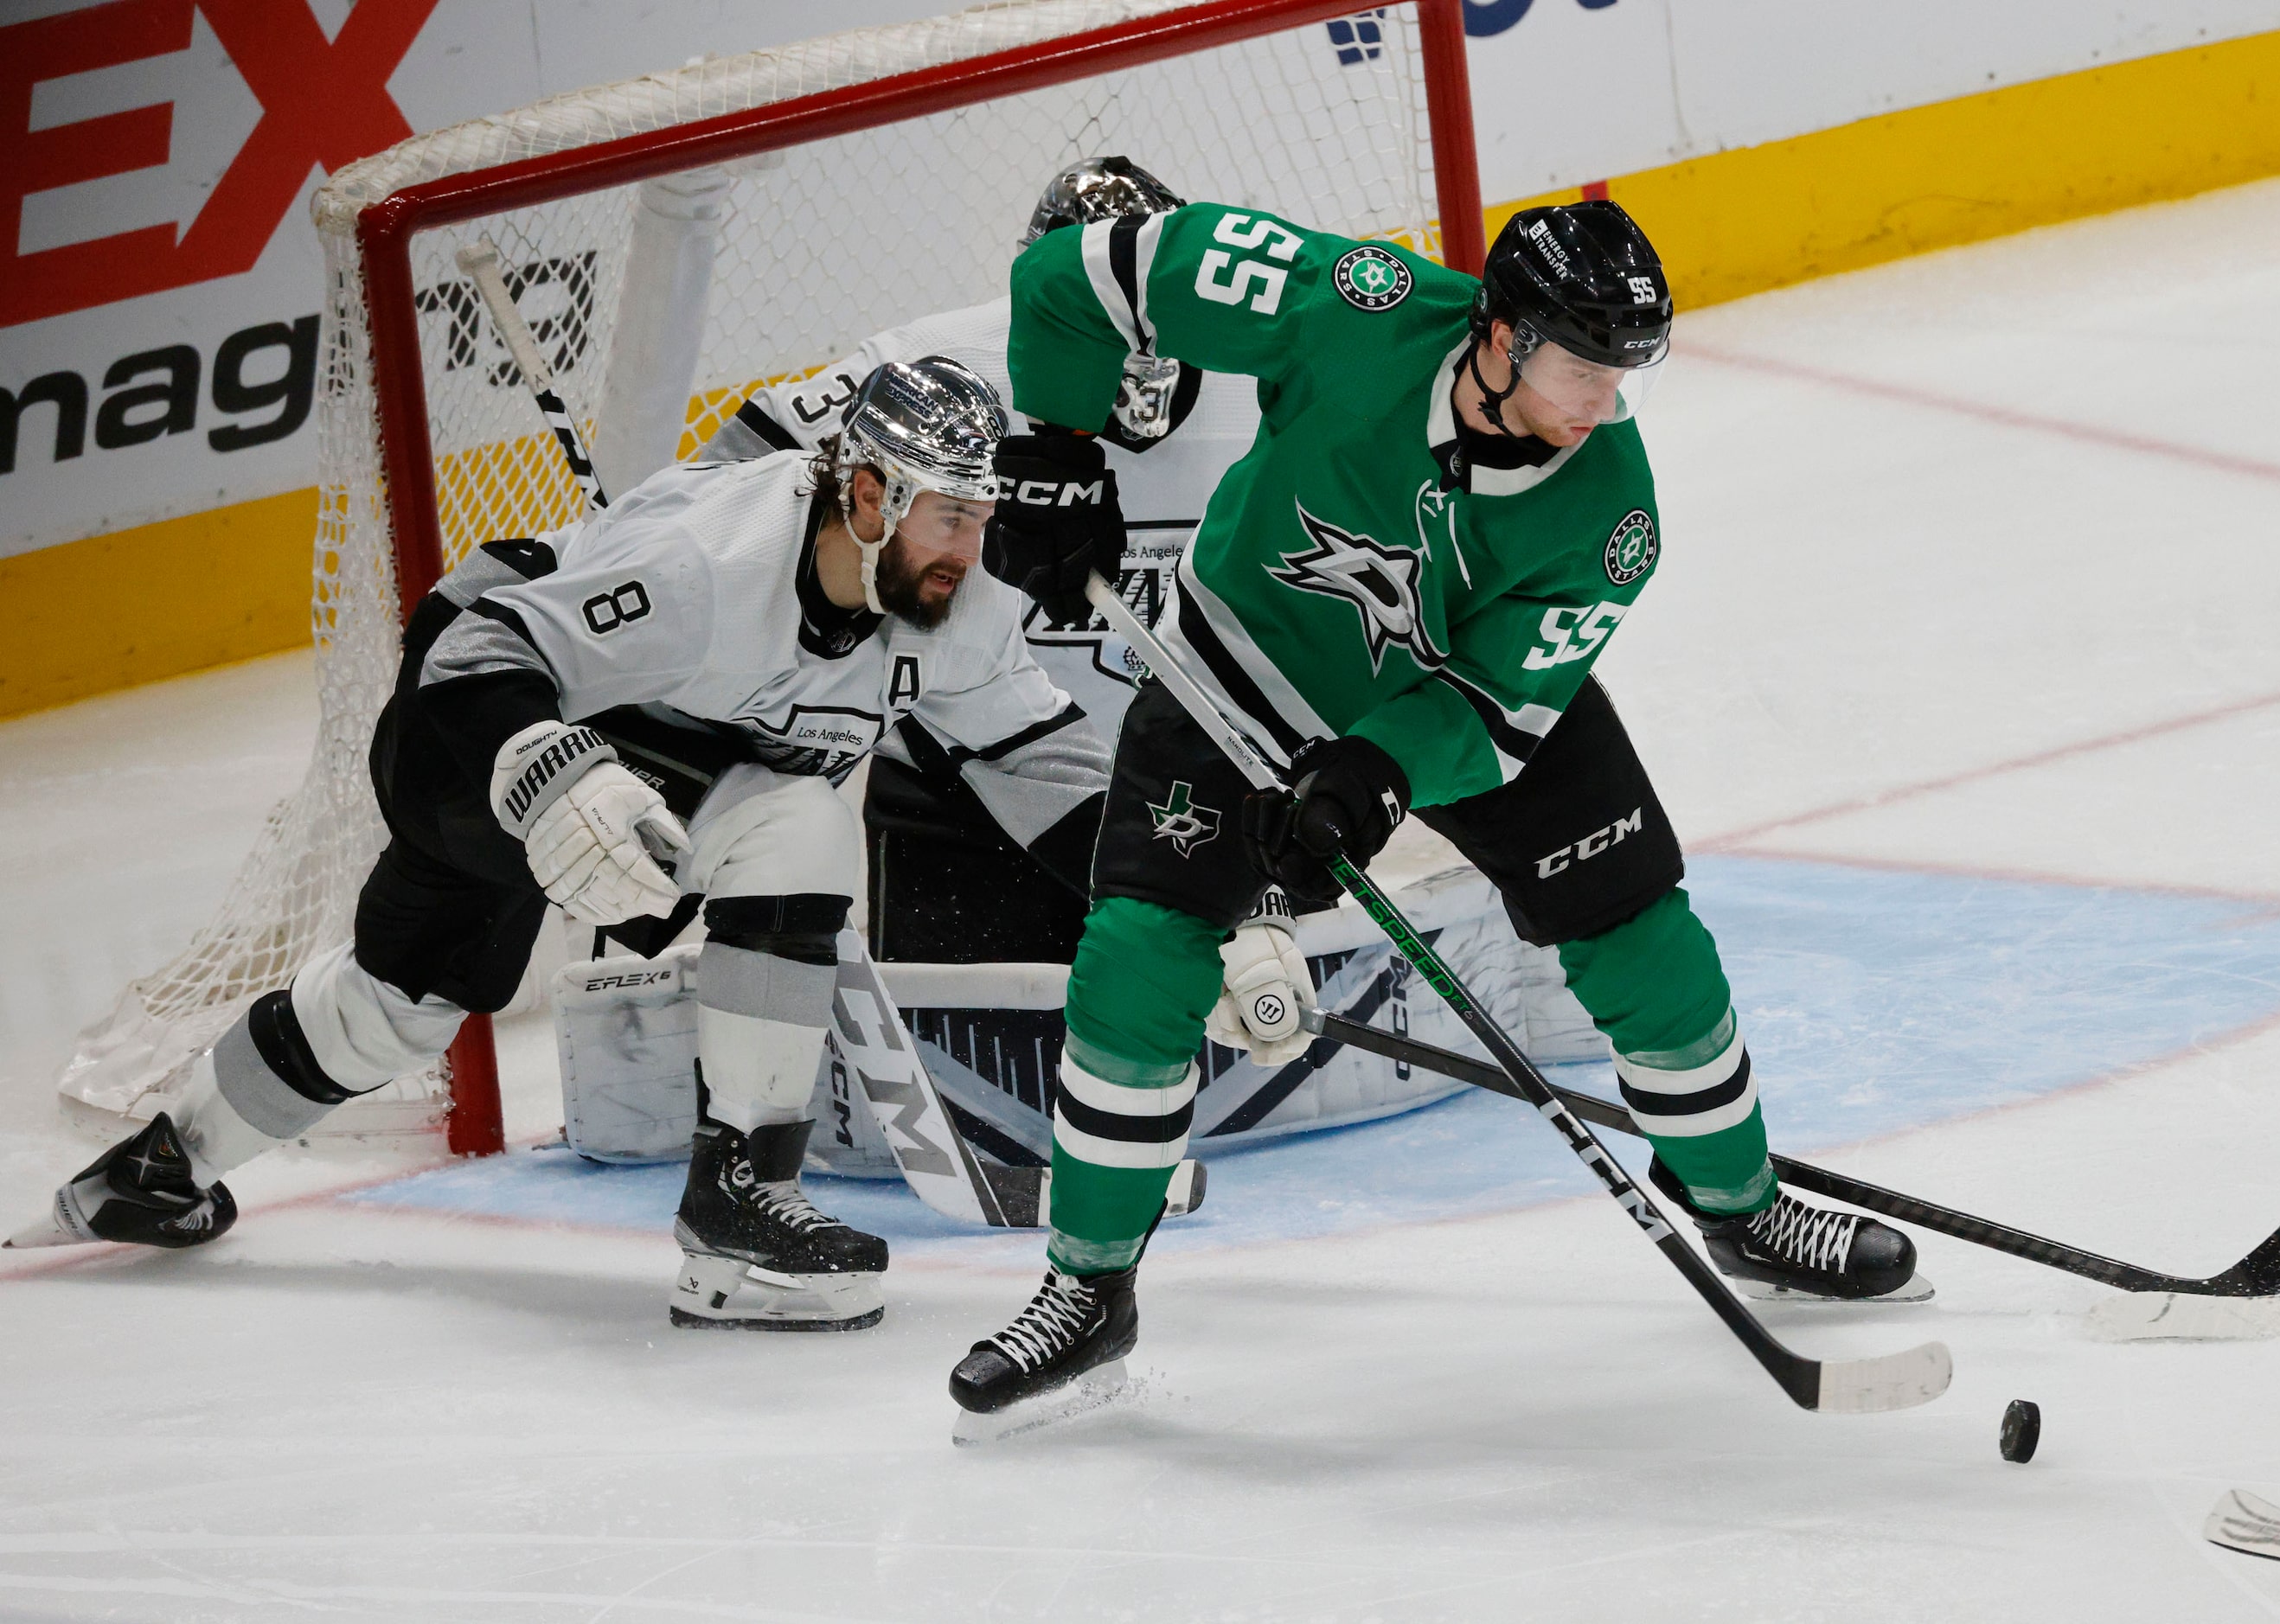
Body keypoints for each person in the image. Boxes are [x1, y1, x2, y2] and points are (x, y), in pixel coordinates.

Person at [952, 197, 1924, 1423]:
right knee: (1139, 956)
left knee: (1639, 930)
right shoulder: (1348, 302)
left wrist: (1375, 771)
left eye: (1623, 374)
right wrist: (1055, 440)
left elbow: (1495, 710)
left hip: (1449, 711)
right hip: (1238, 660)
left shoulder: (1613, 517)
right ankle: (1086, 1289)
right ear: (1501, 335)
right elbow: (1080, 267)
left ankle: (1739, 1205)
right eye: (1580, 366)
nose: (1601, 403)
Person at [10, 358, 1111, 1334]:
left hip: (660, 759)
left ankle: (164, 1167)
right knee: (445, 979)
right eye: (950, 519)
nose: (971, 549)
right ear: (869, 494)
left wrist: (1193, 915)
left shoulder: (956, 613)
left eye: (981, 516)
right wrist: (550, 773)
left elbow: (1048, 775)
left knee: (411, 998)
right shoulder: (705, 562)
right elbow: (480, 649)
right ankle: (733, 1229)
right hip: (471, 717)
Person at [699, 157, 1265, 969]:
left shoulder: (1268, 382)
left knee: (1208, 1071)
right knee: (966, 1086)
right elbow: (727, 484)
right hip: (961, 795)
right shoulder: (936, 371)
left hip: (1198, 805)